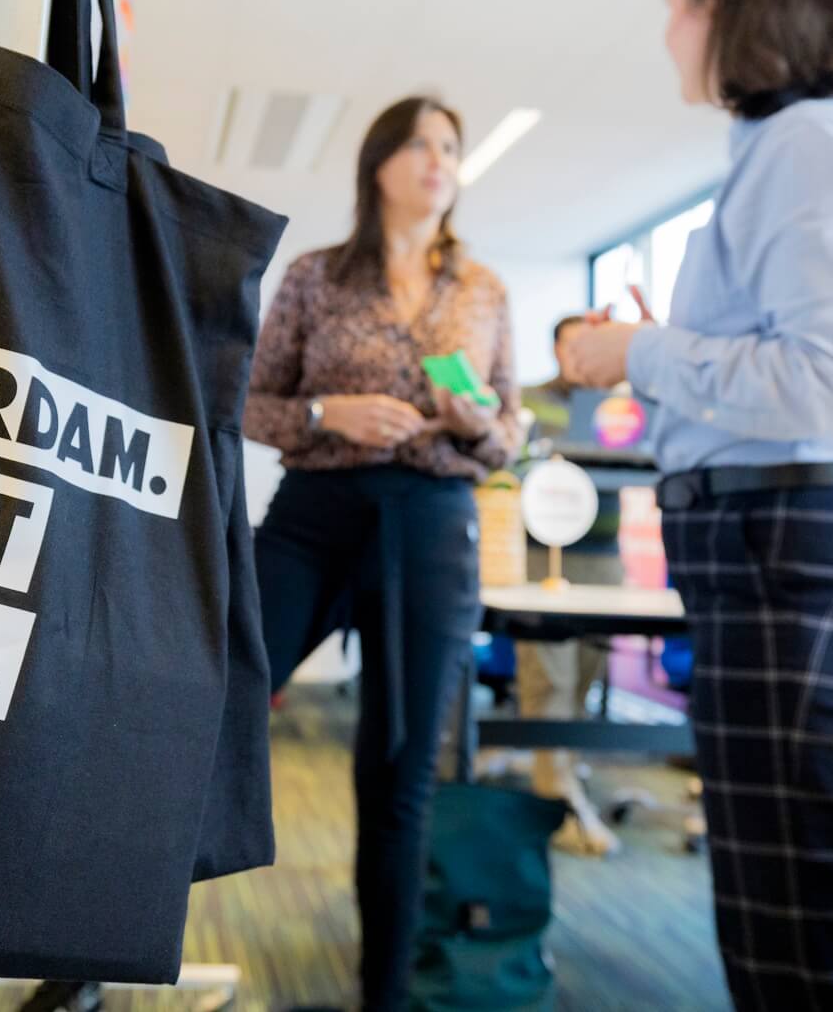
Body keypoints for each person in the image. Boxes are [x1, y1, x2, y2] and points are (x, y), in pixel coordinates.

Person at [562, 0, 833, 1011]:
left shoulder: (801, 147)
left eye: (674, 6)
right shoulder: (796, 149)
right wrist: (661, 351)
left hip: (797, 567)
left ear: (726, 9)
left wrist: (640, 349)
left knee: (801, 964)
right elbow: (812, 369)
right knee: (796, 939)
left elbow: (825, 389)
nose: (665, 33)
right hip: (783, 559)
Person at [244, 95, 522, 1012]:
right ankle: (100, 944)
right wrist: (332, 413)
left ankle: (385, 1001)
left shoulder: (483, 290)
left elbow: (509, 433)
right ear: (378, 164)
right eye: (418, 144)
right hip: (316, 513)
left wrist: (481, 423)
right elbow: (246, 403)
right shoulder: (319, 276)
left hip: (435, 521)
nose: (438, 160)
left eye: (452, 145)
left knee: (399, 771)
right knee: (216, 695)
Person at [516, 313, 625, 856]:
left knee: (585, 673)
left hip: (605, 557)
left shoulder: (621, 405)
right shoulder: (529, 400)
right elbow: (513, 461)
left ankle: (558, 768)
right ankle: (556, 797)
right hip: (543, 555)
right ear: (556, 349)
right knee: (548, 677)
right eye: (573, 344)